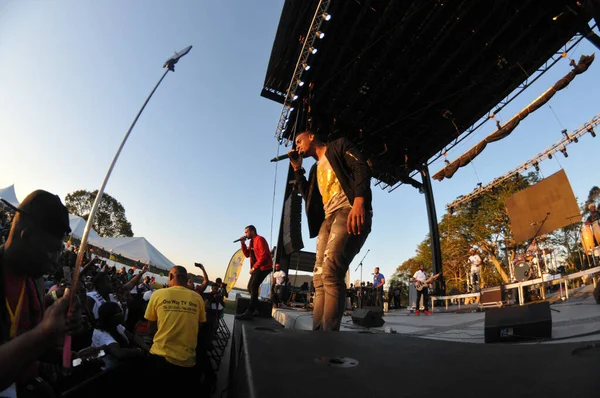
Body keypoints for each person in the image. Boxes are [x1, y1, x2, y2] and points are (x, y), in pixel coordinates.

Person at [288, 131, 372, 331]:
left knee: (332, 270)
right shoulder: (315, 168)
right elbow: (307, 195)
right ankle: (318, 335)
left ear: (311, 136)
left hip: (347, 209)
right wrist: (298, 169)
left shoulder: (339, 146)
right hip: (328, 219)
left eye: (299, 141)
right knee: (319, 277)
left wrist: (359, 201)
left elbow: (360, 166)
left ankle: (329, 337)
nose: (297, 146)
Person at [0, 190, 81, 395]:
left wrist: (66, 353)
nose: (57, 260)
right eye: (53, 250)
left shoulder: (35, 280)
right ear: (27, 237)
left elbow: (26, 346)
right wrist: (43, 334)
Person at [144, 266, 206, 396]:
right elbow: (199, 325)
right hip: (187, 361)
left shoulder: (158, 294)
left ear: (171, 277)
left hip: (160, 357)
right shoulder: (197, 298)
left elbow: (151, 327)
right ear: (186, 279)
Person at [236, 225, 273, 320]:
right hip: (258, 267)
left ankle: (250, 312)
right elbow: (247, 254)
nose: (245, 234)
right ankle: (257, 309)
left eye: (246, 232)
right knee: (250, 287)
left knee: (253, 286)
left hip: (265, 266)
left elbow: (264, 256)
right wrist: (243, 243)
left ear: (252, 231)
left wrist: (254, 267)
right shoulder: (252, 242)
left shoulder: (260, 239)